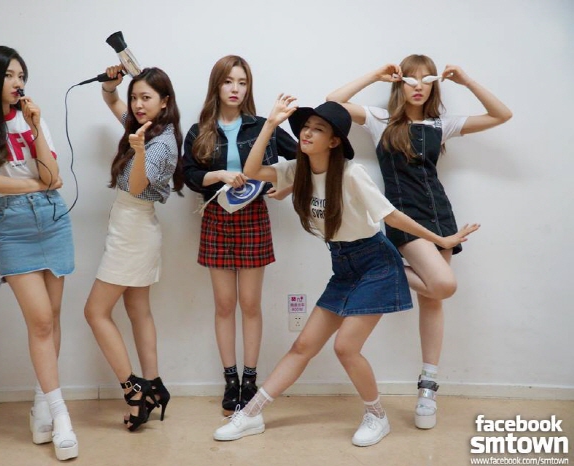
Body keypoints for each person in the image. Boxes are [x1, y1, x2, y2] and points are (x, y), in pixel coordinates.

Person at [212, 96, 479, 446]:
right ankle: (251, 415)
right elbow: (251, 172)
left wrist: (440, 238)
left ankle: (376, 416)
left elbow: (392, 216)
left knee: (345, 347)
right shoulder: (297, 171)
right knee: (303, 345)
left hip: (376, 262)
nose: (307, 133)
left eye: (317, 130)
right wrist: (270, 125)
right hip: (343, 265)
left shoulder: (352, 175)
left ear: (334, 141)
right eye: (305, 127)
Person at [326, 55, 512, 429]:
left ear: (434, 85)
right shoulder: (380, 120)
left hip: (440, 215)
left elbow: (501, 115)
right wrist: (374, 75)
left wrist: (466, 80)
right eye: (411, 79)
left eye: (426, 79)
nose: (418, 86)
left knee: (433, 299)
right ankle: (381, 265)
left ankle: (428, 388)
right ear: (400, 84)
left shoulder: (441, 125)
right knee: (443, 285)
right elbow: (333, 104)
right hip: (403, 218)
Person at [0, 46, 77, 460]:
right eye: (10, 75)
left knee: (53, 317)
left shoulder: (31, 119)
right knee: (40, 320)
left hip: (53, 219)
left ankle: (42, 404)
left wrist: (35, 127)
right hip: (12, 227)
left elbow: (53, 175)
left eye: (21, 75)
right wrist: (37, 185)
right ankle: (61, 416)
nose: (18, 83)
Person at [183, 55, 297, 414]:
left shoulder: (262, 126)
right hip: (216, 217)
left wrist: (289, 188)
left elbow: (306, 158)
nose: (235, 89)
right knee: (224, 304)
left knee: (250, 303)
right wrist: (218, 175)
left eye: (242, 82)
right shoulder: (200, 130)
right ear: (217, 85)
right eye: (229, 81)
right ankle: (230, 380)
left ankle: (250, 379)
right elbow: (188, 176)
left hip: (253, 217)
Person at [84, 64, 183, 432]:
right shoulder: (148, 127)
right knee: (138, 310)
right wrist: (112, 87)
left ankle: (134, 391)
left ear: (165, 101)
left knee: (95, 312)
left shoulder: (160, 142)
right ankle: (154, 385)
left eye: (147, 98)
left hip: (133, 232)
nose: (138, 105)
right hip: (134, 228)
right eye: (135, 97)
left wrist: (138, 151)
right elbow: (112, 101)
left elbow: (139, 186)